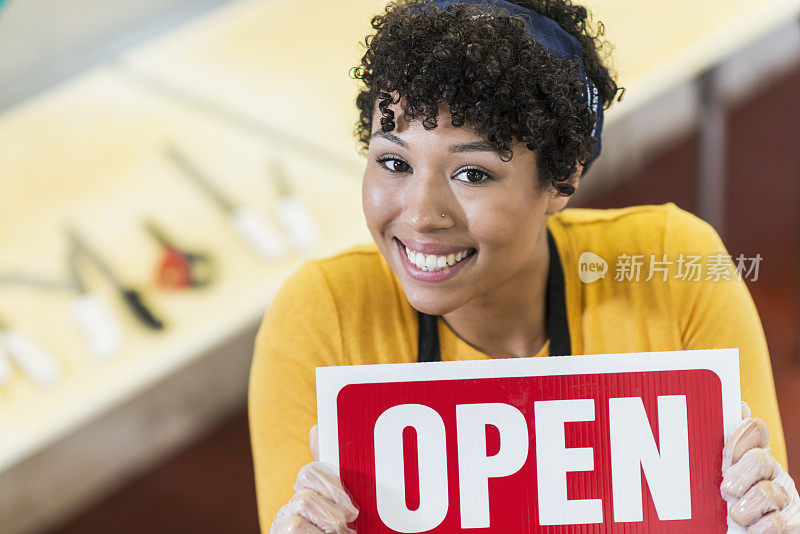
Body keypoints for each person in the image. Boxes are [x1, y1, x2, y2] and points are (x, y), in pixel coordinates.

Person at [249, 0, 799, 532]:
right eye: (394, 162)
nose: (420, 214)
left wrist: (767, 520)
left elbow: (754, 502)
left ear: (563, 176)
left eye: (472, 174)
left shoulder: (672, 267)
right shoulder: (321, 316)